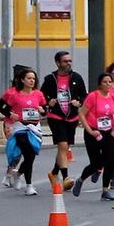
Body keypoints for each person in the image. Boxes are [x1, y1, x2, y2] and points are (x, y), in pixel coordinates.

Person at [76, 67, 114, 201]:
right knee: (96, 163)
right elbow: (81, 114)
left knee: (109, 160)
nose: (108, 84)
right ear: (100, 84)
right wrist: (90, 130)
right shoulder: (93, 96)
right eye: (105, 82)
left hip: (108, 132)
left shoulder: (113, 98)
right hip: (94, 132)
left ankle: (105, 190)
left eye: (110, 82)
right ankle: (81, 179)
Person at [40, 51, 88, 186]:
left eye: (70, 61)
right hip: (56, 116)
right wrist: (48, 102)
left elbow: (84, 95)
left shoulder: (76, 77)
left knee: (65, 147)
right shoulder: (50, 79)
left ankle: (54, 172)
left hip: (72, 117)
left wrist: (79, 102)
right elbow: (41, 96)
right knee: (62, 145)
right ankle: (66, 178)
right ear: (58, 63)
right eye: (65, 61)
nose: (68, 63)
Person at [0, 68, 46, 194]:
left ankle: (17, 174)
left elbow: (45, 109)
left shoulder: (38, 94)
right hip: (19, 127)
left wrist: (43, 110)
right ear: (22, 80)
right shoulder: (14, 94)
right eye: (29, 78)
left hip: (34, 128)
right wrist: (10, 114)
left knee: (31, 156)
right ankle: (29, 186)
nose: (32, 81)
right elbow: (0, 106)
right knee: (26, 153)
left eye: (33, 78)